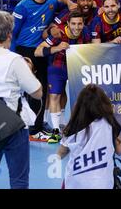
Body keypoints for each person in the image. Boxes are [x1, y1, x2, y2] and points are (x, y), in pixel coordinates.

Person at [0, 10, 42, 189]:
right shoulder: (14, 60)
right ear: (9, 34)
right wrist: (29, 71)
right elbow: (37, 92)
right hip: (14, 125)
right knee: (19, 180)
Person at [12, 0, 72, 141]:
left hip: (42, 51)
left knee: (42, 90)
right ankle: (31, 130)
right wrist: (15, 56)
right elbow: (13, 33)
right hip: (25, 51)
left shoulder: (52, 2)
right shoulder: (22, 6)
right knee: (30, 90)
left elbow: (63, 0)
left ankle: (37, 126)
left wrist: (67, 1)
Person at [35, 11, 91, 143]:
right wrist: (57, 48)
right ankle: (55, 132)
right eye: (73, 24)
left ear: (83, 24)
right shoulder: (58, 34)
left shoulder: (86, 33)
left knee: (79, 96)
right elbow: (37, 51)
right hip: (58, 66)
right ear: (68, 24)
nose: (76, 27)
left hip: (77, 67)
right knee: (55, 96)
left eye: (79, 24)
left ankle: (70, 126)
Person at [57, 84, 121, 189]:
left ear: (80, 106)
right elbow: (119, 151)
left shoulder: (74, 126)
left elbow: (60, 153)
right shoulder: (111, 123)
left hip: (75, 183)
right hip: (103, 183)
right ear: (104, 103)